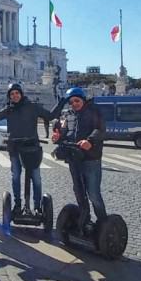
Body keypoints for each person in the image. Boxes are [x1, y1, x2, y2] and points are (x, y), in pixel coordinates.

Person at [0, 83, 56, 215]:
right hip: (15, 148)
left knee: (36, 178)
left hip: (31, 148)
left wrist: (63, 101)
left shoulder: (32, 107)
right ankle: (17, 204)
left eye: (17, 93)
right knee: (16, 176)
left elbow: (51, 116)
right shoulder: (9, 109)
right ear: (9, 97)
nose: (15, 96)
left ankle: (37, 206)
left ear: (21, 94)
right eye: (12, 94)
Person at [54, 87, 107, 232]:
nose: (74, 104)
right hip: (74, 157)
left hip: (90, 158)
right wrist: (58, 137)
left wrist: (90, 141)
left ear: (83, 99)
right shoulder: (69, 115)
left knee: (93, 193)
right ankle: (85, 219)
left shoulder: (93, 111)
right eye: (71, 102)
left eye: (77, 101)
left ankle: (103, 223)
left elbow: (100, 129)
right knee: (78, 191)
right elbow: (64, 131)